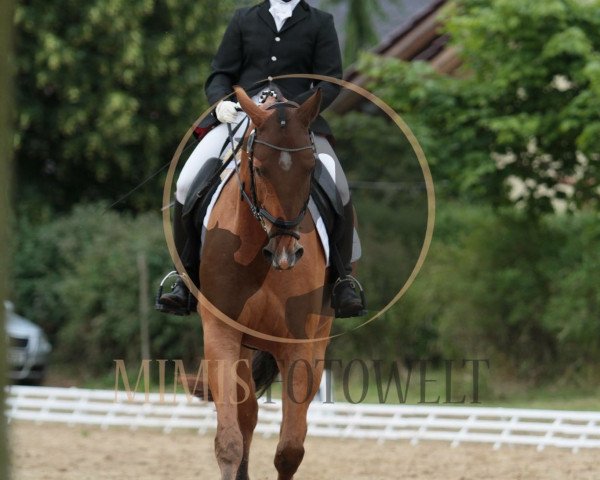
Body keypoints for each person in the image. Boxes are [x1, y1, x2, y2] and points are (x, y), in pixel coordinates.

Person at [156, 0, 367, 317]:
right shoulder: (243, 18)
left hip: (297, 122)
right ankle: (184, 278)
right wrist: (219, 104)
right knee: (186, 183)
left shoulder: (320, 22)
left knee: (339, 185)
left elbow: (330, 80)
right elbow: (219, 74)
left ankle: (342, 279)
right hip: (243, 115)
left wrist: (294, 109)